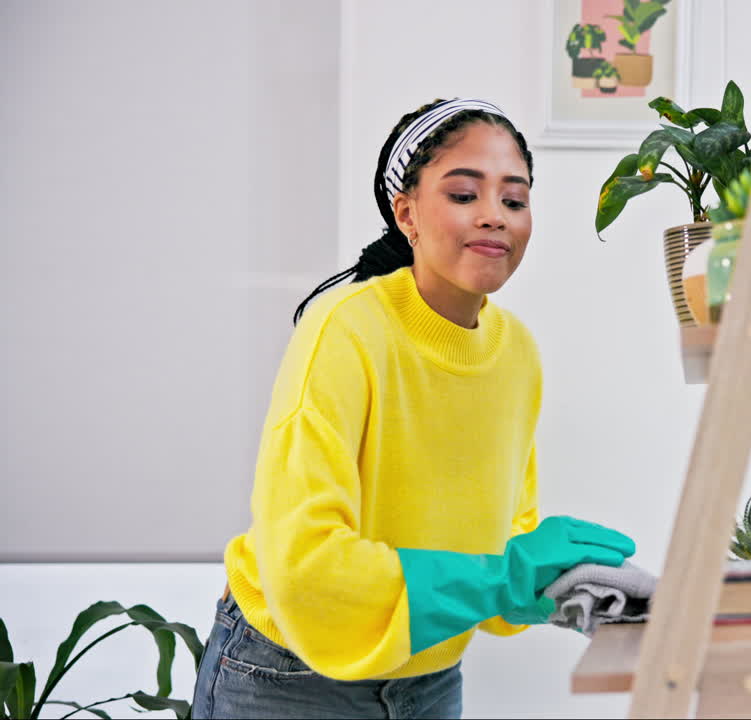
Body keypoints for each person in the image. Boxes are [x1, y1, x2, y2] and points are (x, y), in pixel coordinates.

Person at [191, 98, 636, 719]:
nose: (494, 217)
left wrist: (550, 583)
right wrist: (502, 578)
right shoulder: (345, 331)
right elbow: (305, 567)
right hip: (291, 673)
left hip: (428, 671)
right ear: (407, 213)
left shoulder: (517, 354)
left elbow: (502, 538)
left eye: (514, 200)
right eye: (463, 196)